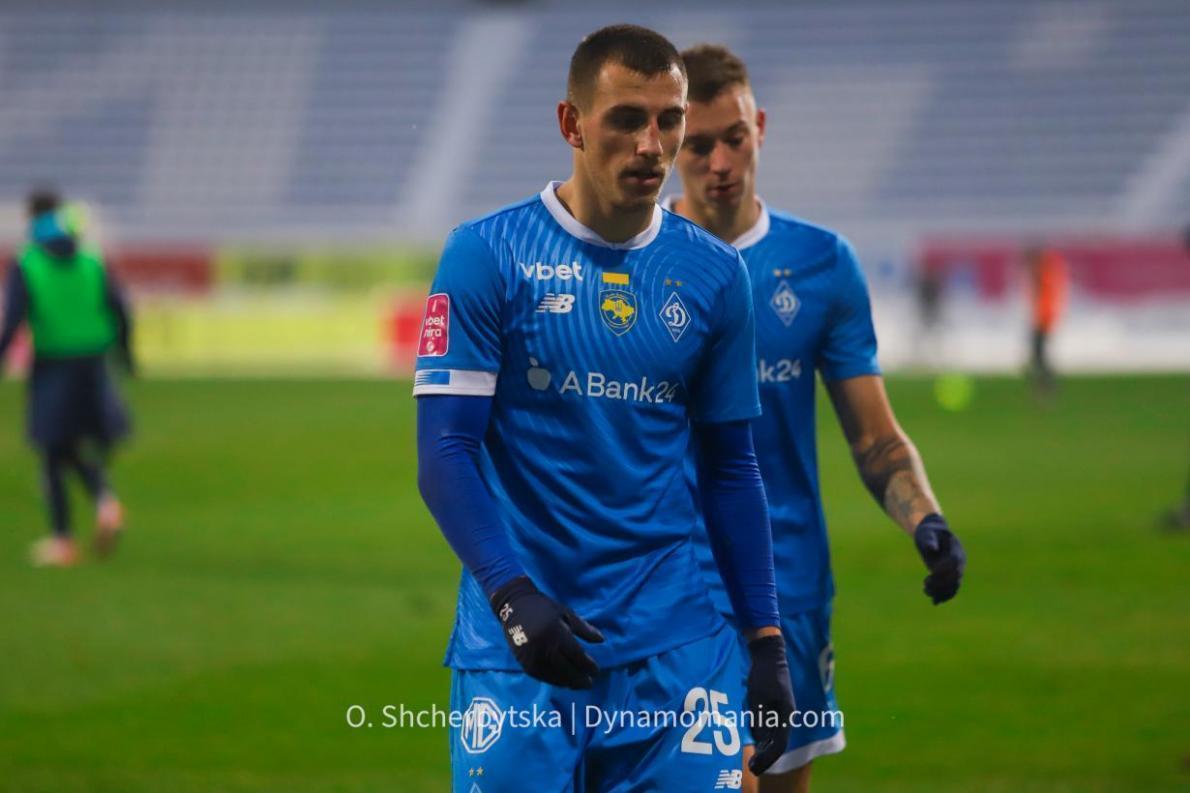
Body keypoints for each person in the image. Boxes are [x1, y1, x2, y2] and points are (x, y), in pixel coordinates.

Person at [415, 25, 795, 792]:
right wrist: (513, 596)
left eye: (668, 120)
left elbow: (731, 469)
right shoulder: (487, 254)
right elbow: (445, 452)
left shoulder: (717, 275)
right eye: (626, 119)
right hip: (519, 647)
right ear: (573, 123)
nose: (652, 145)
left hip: (676, 652)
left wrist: (766, 640)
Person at [666, 45, 967, 793]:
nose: (720, 162)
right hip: (666, 585)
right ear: (669, 145)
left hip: (787, 582)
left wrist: (926, 519)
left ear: (760, 128)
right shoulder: (632, 261)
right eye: (698, 145)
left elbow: (874, 436)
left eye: (734, 137)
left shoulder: (823, 263)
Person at [0, 190, 134, 566]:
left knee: (51, 449)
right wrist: (126, 353)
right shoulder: (92, 261)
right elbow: (120, 309)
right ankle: (105, 503)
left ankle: (63, 540)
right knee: (73, 445)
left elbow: (13, 319)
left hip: (54, 363)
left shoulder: (29, 264)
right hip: (94, 362)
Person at [1024, 243, 1067, 396]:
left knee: (1039, 356)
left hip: (1043, 319)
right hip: (1043, 318)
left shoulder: (1045, 274)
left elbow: (1042, 288)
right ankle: (1043, 386)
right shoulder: (1046, 273)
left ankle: (1045, 387)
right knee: (1038, 355)